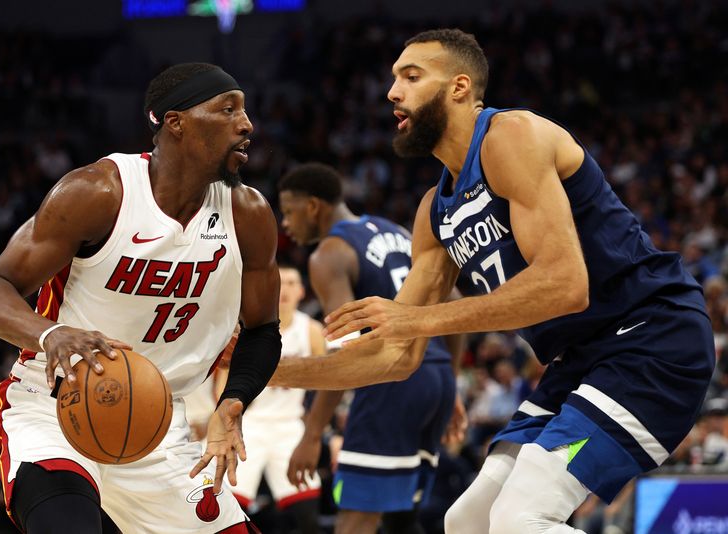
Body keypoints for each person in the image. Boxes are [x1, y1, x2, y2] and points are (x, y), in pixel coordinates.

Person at [270, 29, 715, 533]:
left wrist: (413, 318)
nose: (392, 92)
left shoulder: (511, 136)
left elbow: (565, 285)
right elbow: (395, 354)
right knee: (467, 523)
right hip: (582, 361)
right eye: (393, 78)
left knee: (520, 519)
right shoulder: (433, 214)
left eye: (411, 77)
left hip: (651, 336)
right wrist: (273, 373)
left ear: (459, 88)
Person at [0, 62, 282, 534]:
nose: (246, 124)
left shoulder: (248, 214)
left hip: (158, 423)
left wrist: (233, 403)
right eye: (227, 109)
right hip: (58, 410)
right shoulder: (98, 192)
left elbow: (262, 331)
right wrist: (51, 333)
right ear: (176, 122)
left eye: (244, 110)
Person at [278, 163, 463, 534]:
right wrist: (449, 380)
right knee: (402, 519)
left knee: (356, 519)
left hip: (391, 382)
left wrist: (313, 434)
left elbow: (343, 353)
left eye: (288, 212)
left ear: (313, 207)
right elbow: (454, 299)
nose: (285, 224)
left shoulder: (328, 254)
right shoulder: (395, 231)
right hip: (435, 376)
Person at [215, 265, 324, 533]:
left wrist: (319, 431)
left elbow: (328, 385)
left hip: (291, 426)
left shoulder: (311, 330)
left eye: (291, 283)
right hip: (251, 424)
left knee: (307, 516)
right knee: (227, 507)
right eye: (280, 282)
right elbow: (222, 387)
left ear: (301, 291)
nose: (284, 289)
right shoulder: (247, 332)